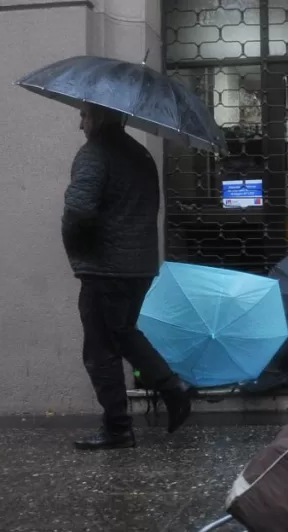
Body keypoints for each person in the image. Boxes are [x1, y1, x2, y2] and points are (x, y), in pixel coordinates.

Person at [64, 103, 192, 450]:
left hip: (105, 267)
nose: (80, 124)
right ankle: (171, 388)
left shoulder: (95, 153)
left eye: (84, 115)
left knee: (100, 350)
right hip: (138, 266)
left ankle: (119, 427)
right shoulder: (140, 153)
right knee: (122, 333)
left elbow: (78, 209)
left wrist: (78, 249)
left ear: (99, 116)